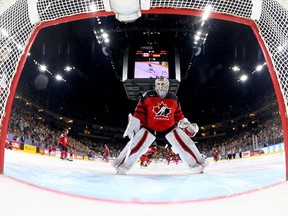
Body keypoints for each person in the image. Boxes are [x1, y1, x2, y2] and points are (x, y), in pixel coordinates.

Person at [112, 76, 208, 174]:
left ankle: (198, 164)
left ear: (168, 85)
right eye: (158, 84)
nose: (161, 86)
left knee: (186, 143)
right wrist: (135, 123)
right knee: (135, 145)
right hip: (150, 128)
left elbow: (179, 116)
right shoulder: (148, 95)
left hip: (169, 128)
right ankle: (121, 165)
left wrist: (187, 125)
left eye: (163, 84)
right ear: (155, 85)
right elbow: (140, 112)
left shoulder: (174, 98)